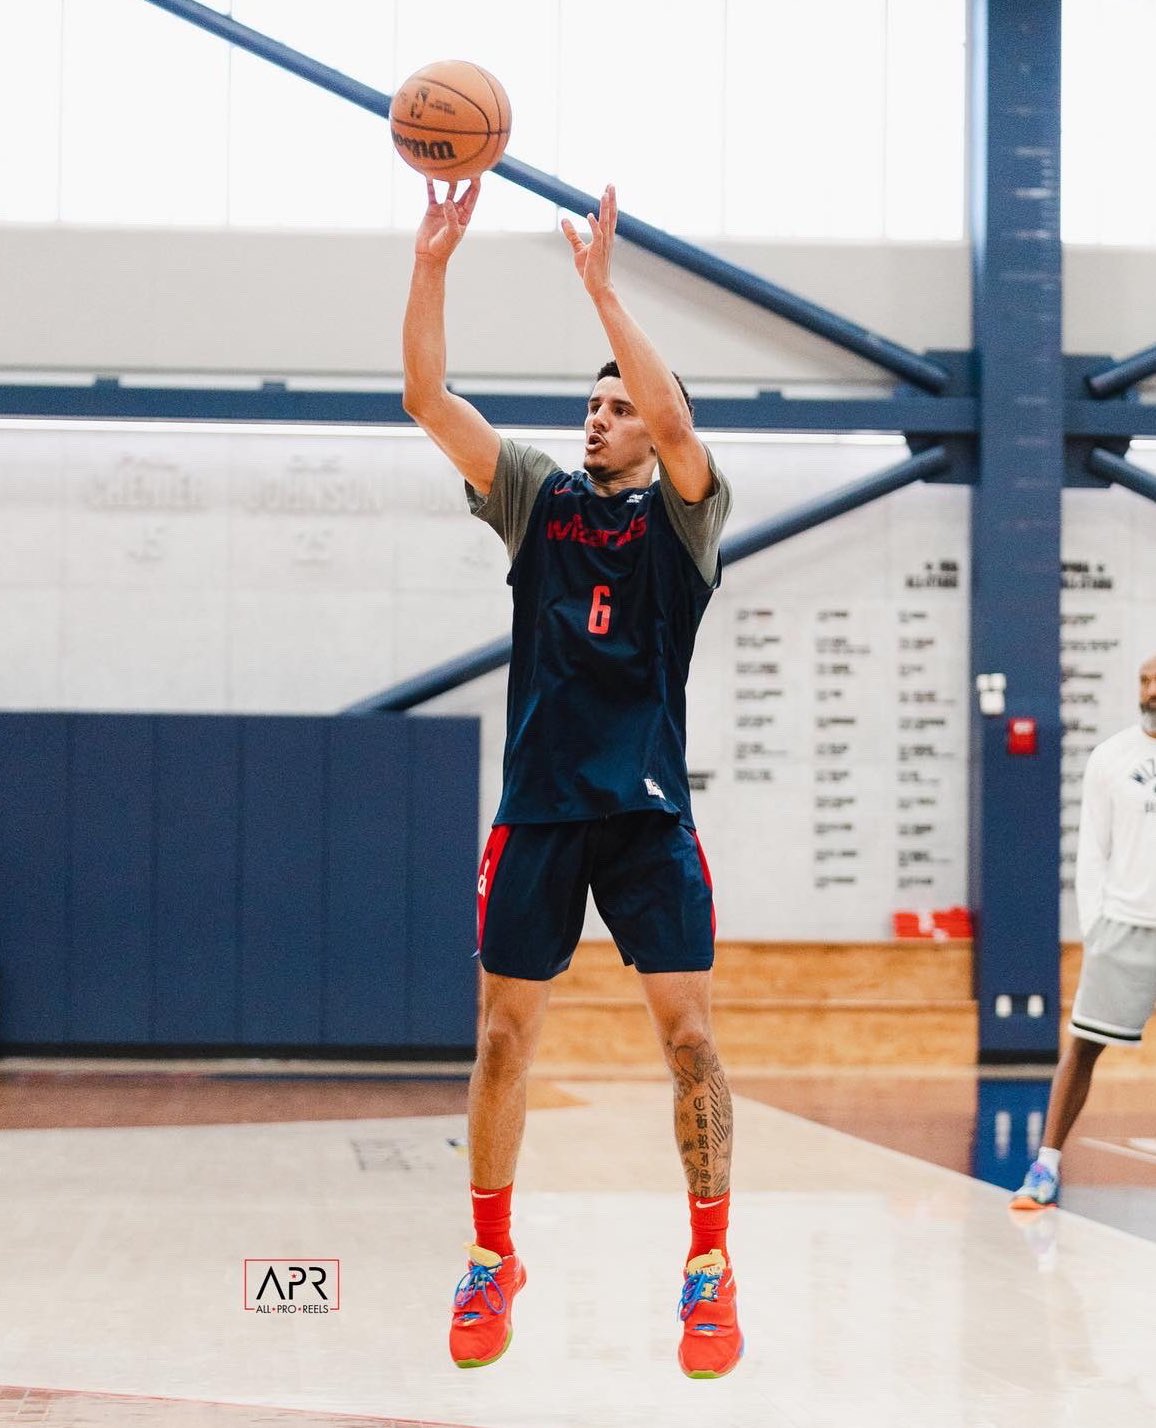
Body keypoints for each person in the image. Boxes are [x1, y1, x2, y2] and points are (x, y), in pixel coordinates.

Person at [401, 177, 742, 1378]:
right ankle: (491, 1258)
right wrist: (434, 260)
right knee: (501, 1042)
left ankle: (708, 1269)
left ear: (653, 425)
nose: (597, 416)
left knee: (690, 1044)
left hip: (645, 817)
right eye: (589, 405)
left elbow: (682, 428)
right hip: (539, 808)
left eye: (617, 404)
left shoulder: (688, 518)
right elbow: (427, 399)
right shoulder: (536, 498)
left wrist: (604, 292)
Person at [1012, 653, 1156, 1210]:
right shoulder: (1110, 758)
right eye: (1143, 681)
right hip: (1123, 928)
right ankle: (1045, 1167)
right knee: (1084, 1048)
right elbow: (1092, 850)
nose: (1149, 690)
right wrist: (1094, 925)